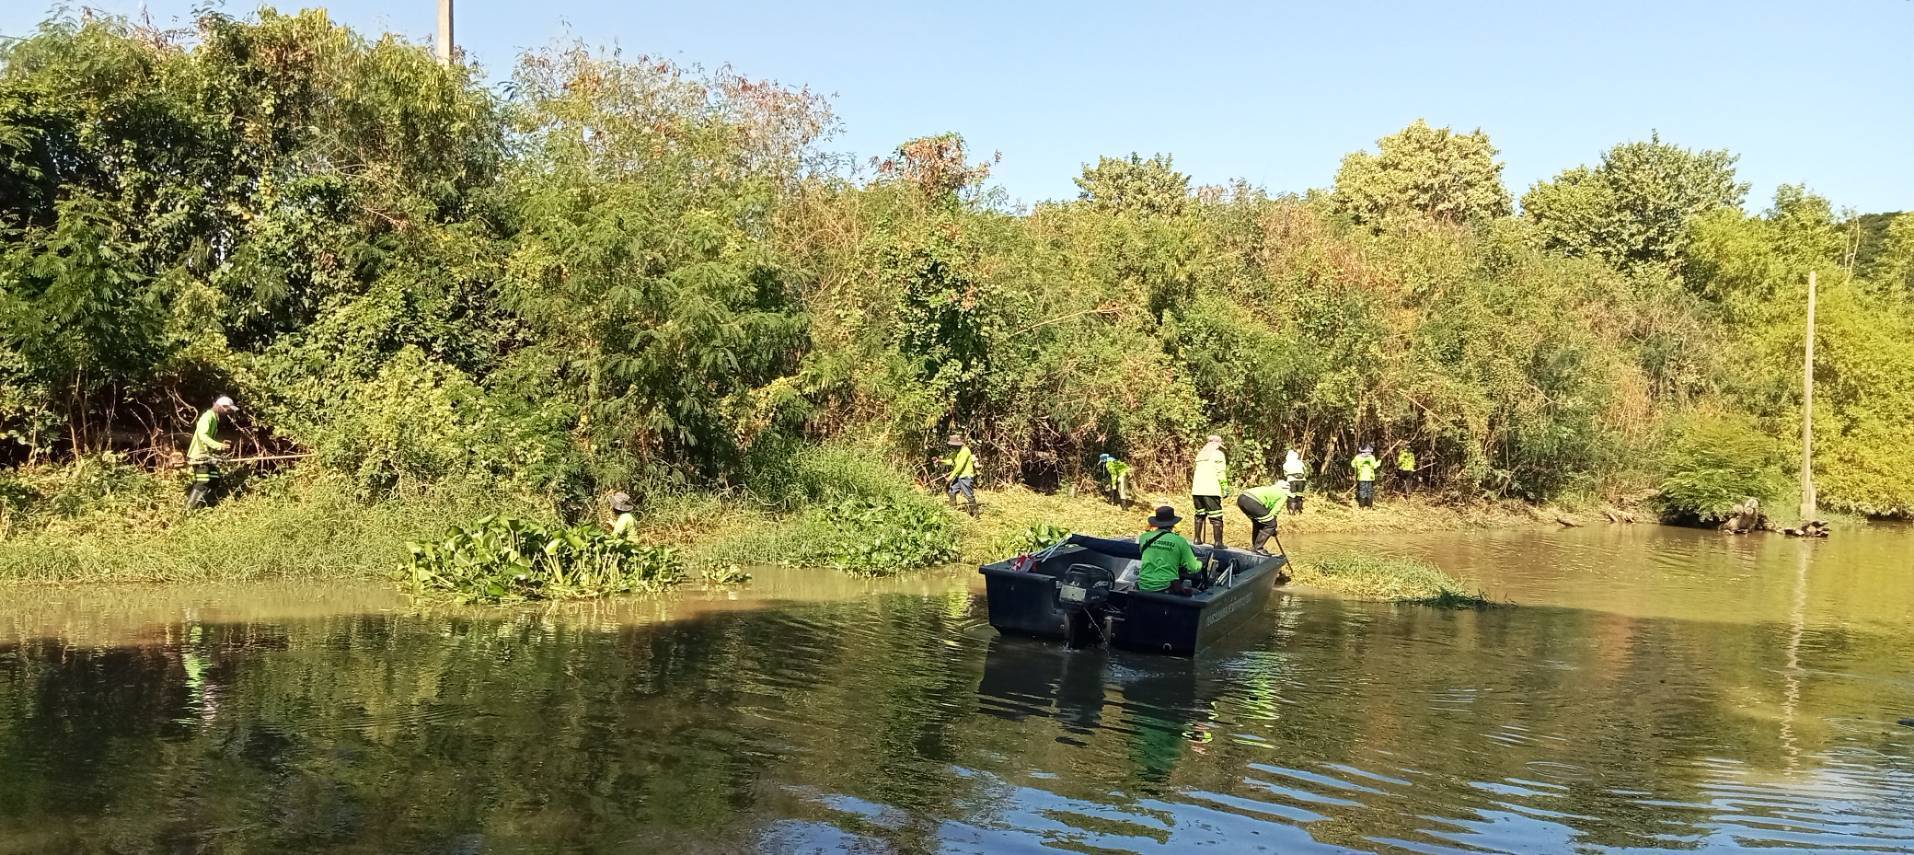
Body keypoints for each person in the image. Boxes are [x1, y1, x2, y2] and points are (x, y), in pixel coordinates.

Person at [184, 395, 239, 512]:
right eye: (228, 410)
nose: (228, 413)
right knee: (203, 481)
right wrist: (219, 445)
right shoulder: (207, 417)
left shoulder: (214, 418)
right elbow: (203, 435)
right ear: (221, 407)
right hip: (199, 456)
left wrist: (220, 445)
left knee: (214, 480)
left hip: (207, 456)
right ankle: (188, 511)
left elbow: (208, 438)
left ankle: (205, 508)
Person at [1136, 505, 1203, 595]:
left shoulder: (1144, 537)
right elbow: (1193, 568)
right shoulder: (1179, 541)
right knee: (1197, 593)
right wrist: (1201, 563)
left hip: (1143, 585)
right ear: (1173, 524)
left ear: (1156, 522)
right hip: (1166, 587)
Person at [1189, 435, 1228, 548]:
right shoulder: (1218, 454)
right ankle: (1218, 543)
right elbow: (1221, 472)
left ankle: (1197, 539)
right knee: (1216, 517)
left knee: (1199, 514)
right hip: (1211, 490)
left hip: (1197, 490)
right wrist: (1225, 487)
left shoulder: (1200, 455)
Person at [1236, 482, 1289, 556]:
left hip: (1241, 499)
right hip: (1252, 501)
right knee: (1271, 524)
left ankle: (1255, 547)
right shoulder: (1283, 495)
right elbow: (1275, 512)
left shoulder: (1271, 490)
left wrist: (1270, 528)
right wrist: (1272, 528)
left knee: (1258, 523)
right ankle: (1258, 548)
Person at [943, 434, 979, 518]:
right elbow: (951, 461)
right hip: (959, 476)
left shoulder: (965, 451)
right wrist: (940, 461)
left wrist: (950, 477)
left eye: (953, 445)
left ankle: (976, 515)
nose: (952, 447)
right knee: (952, 492)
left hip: (965, 477)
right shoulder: (957, 451)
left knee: (968, 495)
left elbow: (960, 466)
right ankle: (952, 510)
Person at [1351, 444, 1380, 508]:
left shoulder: (1357, 457)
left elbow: (1353, 464)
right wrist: (1379, 462)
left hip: (1362, 477)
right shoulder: (1371, 458)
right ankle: (1369, 506)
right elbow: (1374, 466)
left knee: (1362, 491)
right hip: (1369, 477)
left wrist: (1357, 465)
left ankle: (1362, 506)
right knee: (1369, 491)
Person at [1282, 448, 1307, 514]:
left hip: (1292, 480)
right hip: (1301, 480)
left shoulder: (1285, 464)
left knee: (1292, 496)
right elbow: (1305, 470)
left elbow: (1285, 474)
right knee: (1299, 495)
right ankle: (1299, 510)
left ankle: (1292, 511)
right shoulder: (1300, 462)